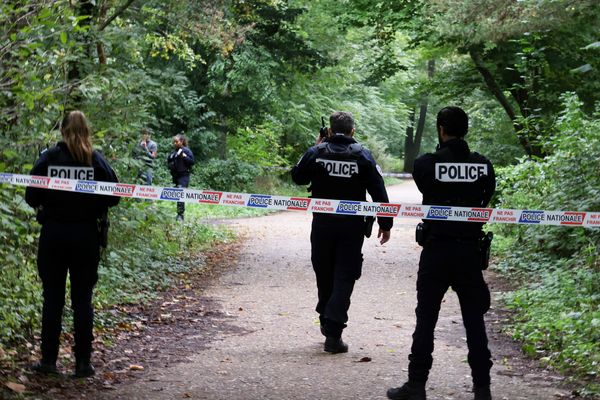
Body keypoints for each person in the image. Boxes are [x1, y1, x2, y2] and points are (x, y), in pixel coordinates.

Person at [387, 106, 496, 400]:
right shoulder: (483, 166)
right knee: (474, 321)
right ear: (466, 130)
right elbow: (486, 198)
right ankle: (482, 389)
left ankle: (416, 386)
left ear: (440, 129)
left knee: (426, 319)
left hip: (436, 250)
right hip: (469, 253)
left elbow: (425, 184)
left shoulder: (427, 164)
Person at [25, 110, 120, 377]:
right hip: (85, 236)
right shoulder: (95, 160)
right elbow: (115, 196)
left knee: (52, 299)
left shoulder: (49, 158)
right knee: (82, 300)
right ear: (87, 131)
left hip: (54, 234)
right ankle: (82, 363)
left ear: (63, 131)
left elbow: (31, 195)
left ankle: (48, 362)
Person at [291, 111, 392, 353]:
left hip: (322, 226)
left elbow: (297, 177)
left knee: (324, 273)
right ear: (352, 131)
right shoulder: (362, 155)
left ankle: (328, 321)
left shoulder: (317, 152)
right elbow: (379, 191)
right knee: (344, 276)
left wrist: (316, 147)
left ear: (330, 130)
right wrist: (385, 223)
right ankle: (333, 331)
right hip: (351, 228)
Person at [167, 134, 195, 221]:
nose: (175, 143)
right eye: (174, 142)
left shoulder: (186, 151)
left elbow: (192, 162)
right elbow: (169, 161)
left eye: (176, 142)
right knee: (177, 195)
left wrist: (184, 156)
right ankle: (178, 213)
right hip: (175, 176)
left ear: (181, 141)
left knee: (180, 193)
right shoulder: (173, 152)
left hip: (184, 176)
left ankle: (180, 215)